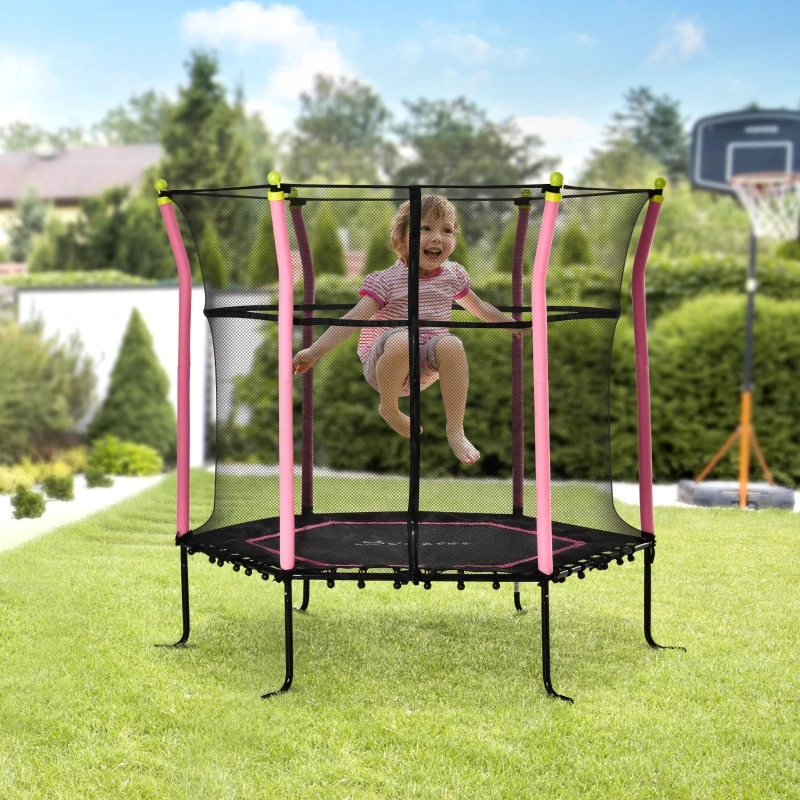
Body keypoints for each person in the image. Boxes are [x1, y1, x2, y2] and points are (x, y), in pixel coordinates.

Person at [292, 195, 527, 465]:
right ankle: (389, 408)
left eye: (446, 230)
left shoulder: (452, 276)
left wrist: (511, 323)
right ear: (401, 238)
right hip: (382, 364)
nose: (437, 237)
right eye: (425, 229)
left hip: (423, 367)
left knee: (452, 344)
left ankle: (456, 429)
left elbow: (480, 308)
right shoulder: (387, 281)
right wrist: (314, 351)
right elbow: (351, 319)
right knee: (404, 338)